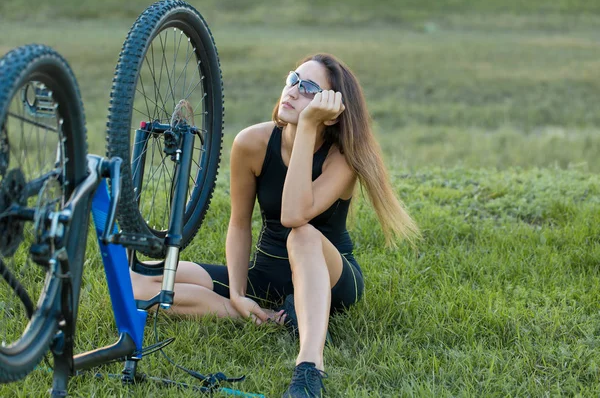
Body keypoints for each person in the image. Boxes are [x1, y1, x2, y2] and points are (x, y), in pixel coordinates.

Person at [131, 53, 419, 397]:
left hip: (331, 279)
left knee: (301, 235)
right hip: (267, 274)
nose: (293, 91)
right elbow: (239, 225)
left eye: (309, 88)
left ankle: (309, 368)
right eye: (292, 79)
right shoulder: (251, 143)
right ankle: (267, 316)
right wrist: (238, 295)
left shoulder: (342, 157)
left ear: (331, 108)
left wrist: (309, 127)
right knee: (139, 282)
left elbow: (294, 216)